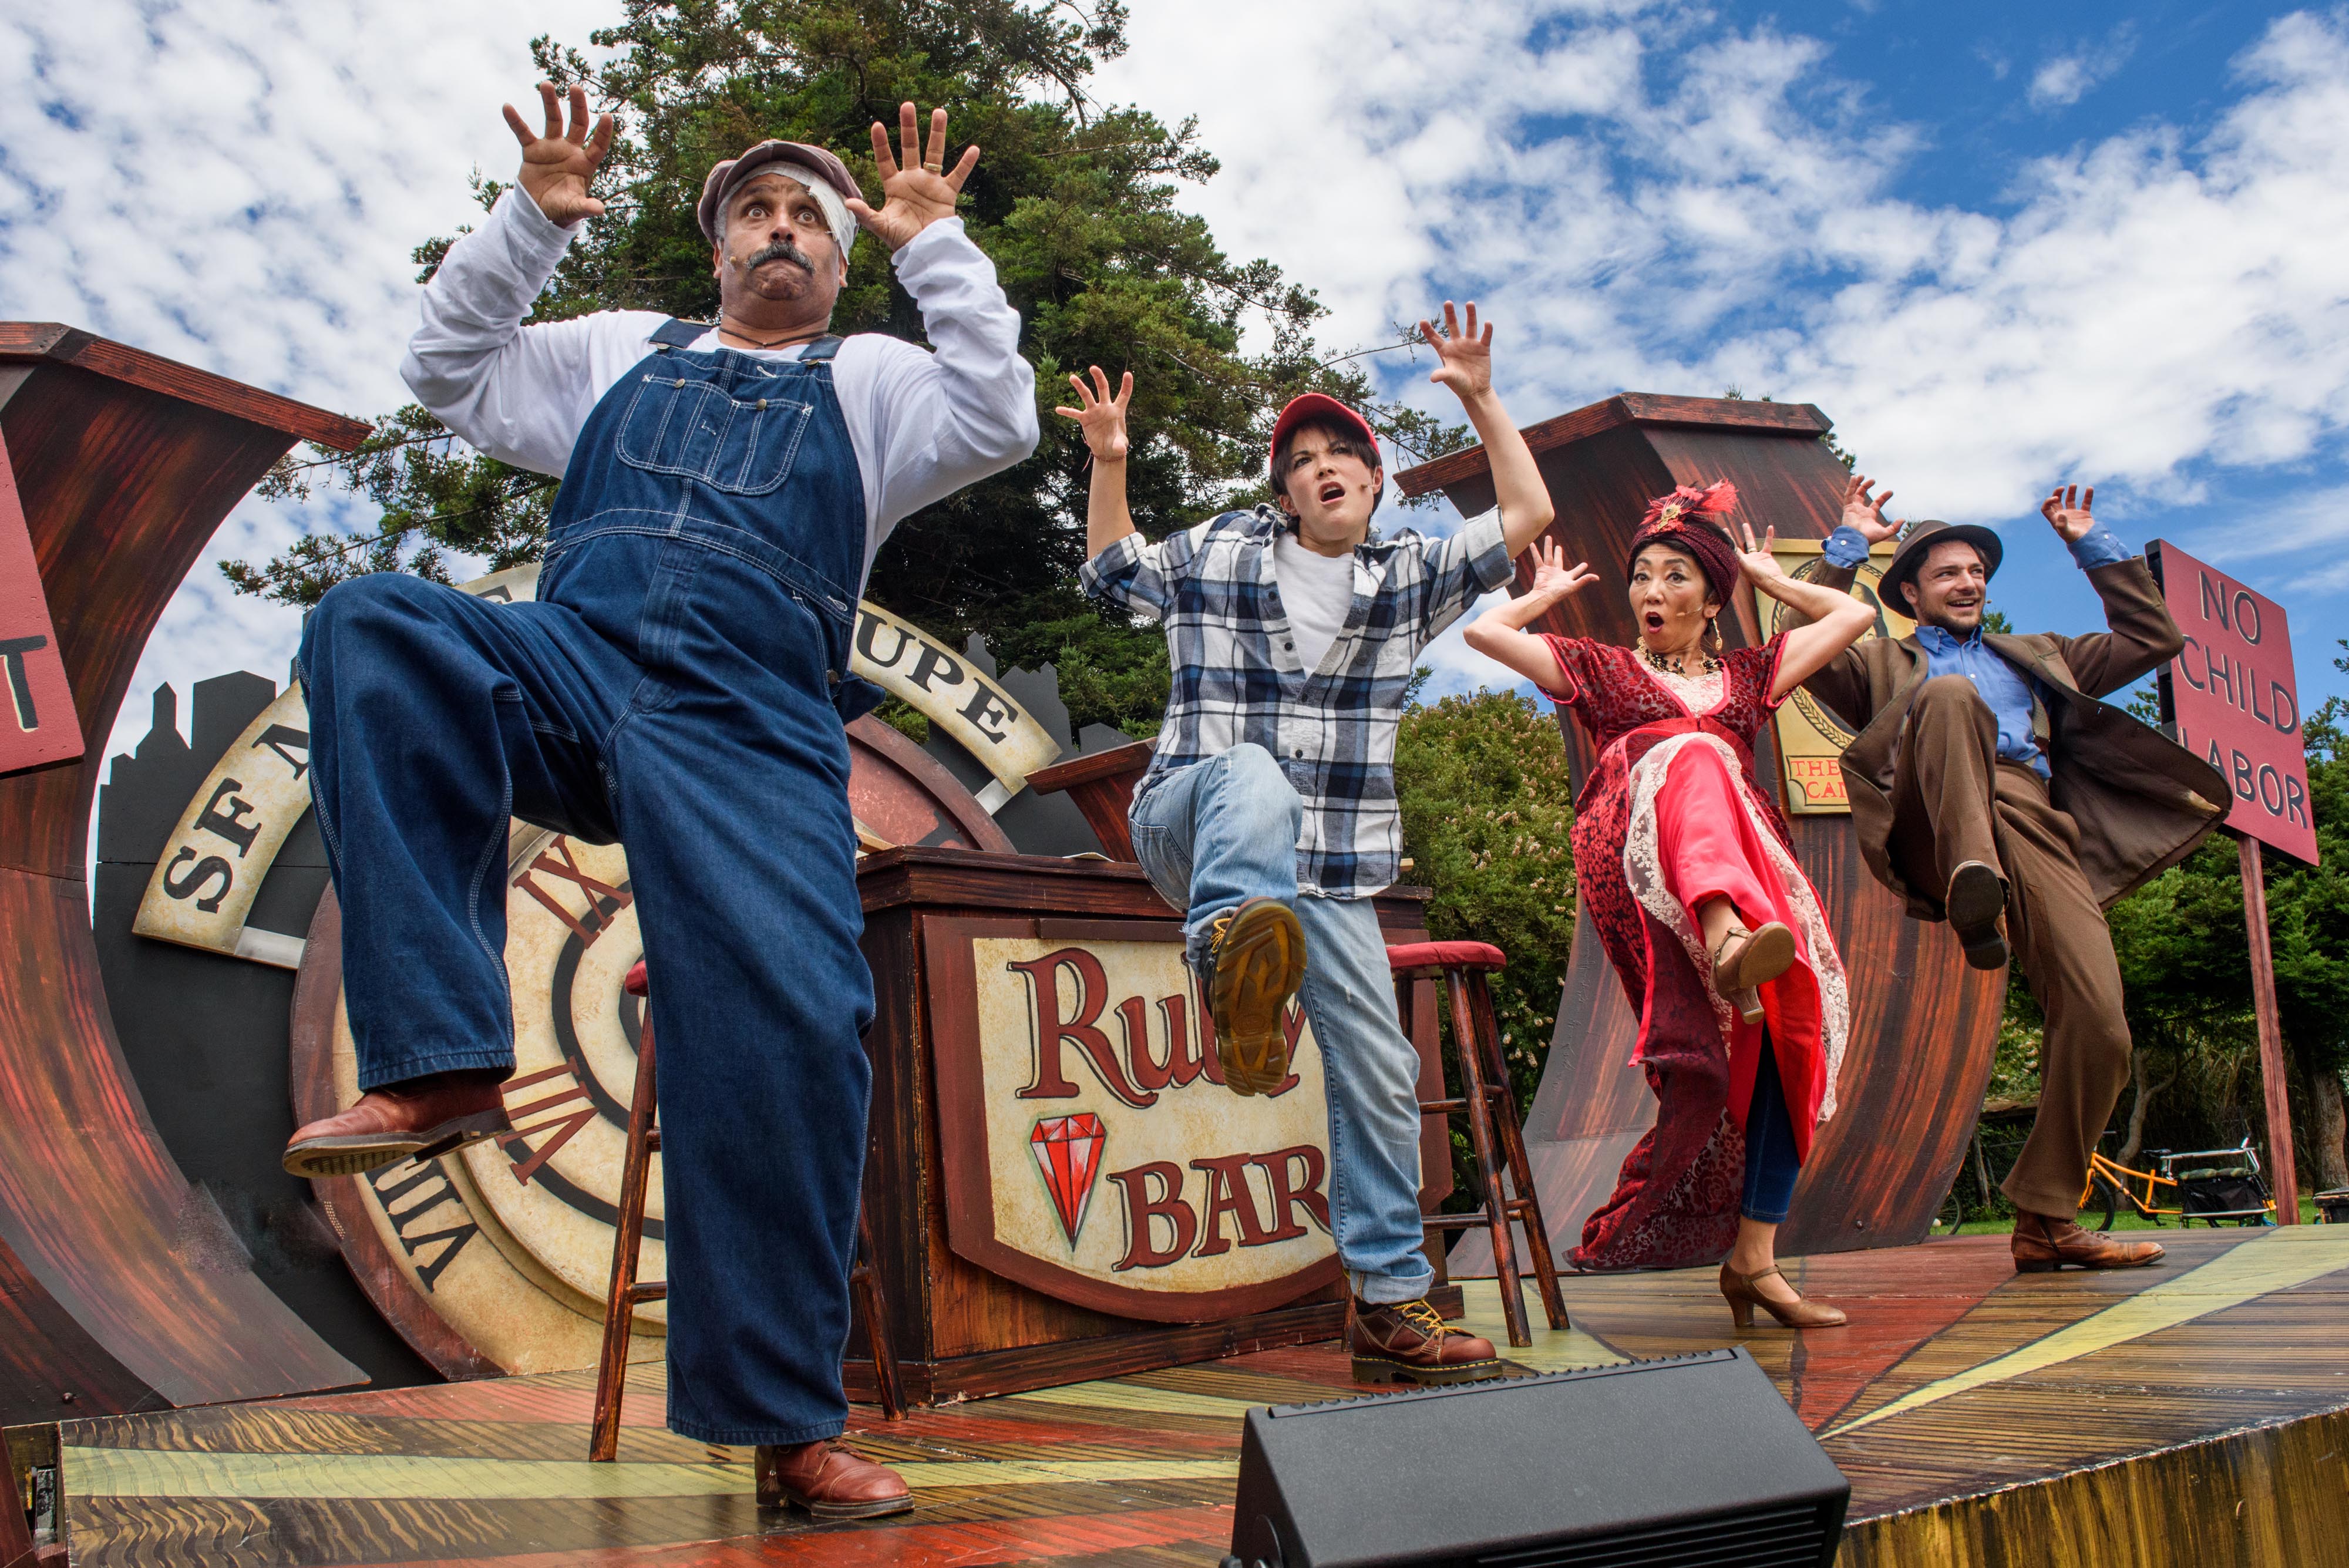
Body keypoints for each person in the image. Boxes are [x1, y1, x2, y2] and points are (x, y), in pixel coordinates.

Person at [280, 85, 1038, 1514]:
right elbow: (448, 368)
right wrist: (528, 223)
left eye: (809, 216)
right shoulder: (616, 352)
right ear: (714, 249)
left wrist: (935, 247)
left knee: (793, 1029)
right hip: (574, 664)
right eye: (755, 209)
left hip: (750, 721)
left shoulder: (875, 380)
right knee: (376, 625)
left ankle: (785, 1426)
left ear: (836, 257)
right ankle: (442, 1058)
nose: (781, 229)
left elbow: (998, 413)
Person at [1059, 302, 1552, 1384]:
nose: (1323, 469)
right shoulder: (1228, 546)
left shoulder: (1408, 577)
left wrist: (1477, 393)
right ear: (1284, 493)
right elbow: (1110, 574)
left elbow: (1526, 508)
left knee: (1381, 1069)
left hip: (1327, 880)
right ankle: (1228, 963)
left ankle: (1386, 1301)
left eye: (1343, 456)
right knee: (1253, 773)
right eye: (1303, 461)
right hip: (1194, 822)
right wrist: (1110, 462)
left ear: (1375, 485)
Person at [1464, 482, 1877, 1326]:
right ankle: (1726, 937)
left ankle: (1755, 1261)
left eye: (1676, 577)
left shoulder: (1749, 675)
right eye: (1643, 576)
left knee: (1788, 1038)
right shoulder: (1605, 669)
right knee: (1690, 751)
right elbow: (1483, 631)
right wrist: (1540, 600)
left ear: (1713, 597)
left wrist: (1774, 577)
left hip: (1746, 859)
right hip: (1640, 861)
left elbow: (1850, 619)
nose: (1652, 592)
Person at [1798, 480, 2226, 1274]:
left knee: (2101, 1023)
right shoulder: (1880, 663)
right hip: (1930, 818)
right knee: (1953, 698)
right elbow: (1798, 635)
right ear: (1912, 593)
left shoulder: (2041, 657)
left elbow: (2153, 633)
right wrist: (1848, 542)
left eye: (1976, 572)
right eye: (1948, 573)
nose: (1968, 583)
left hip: (2031, 817)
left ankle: (2046, 1217)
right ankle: (1970, 883)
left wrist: (2085, 542)